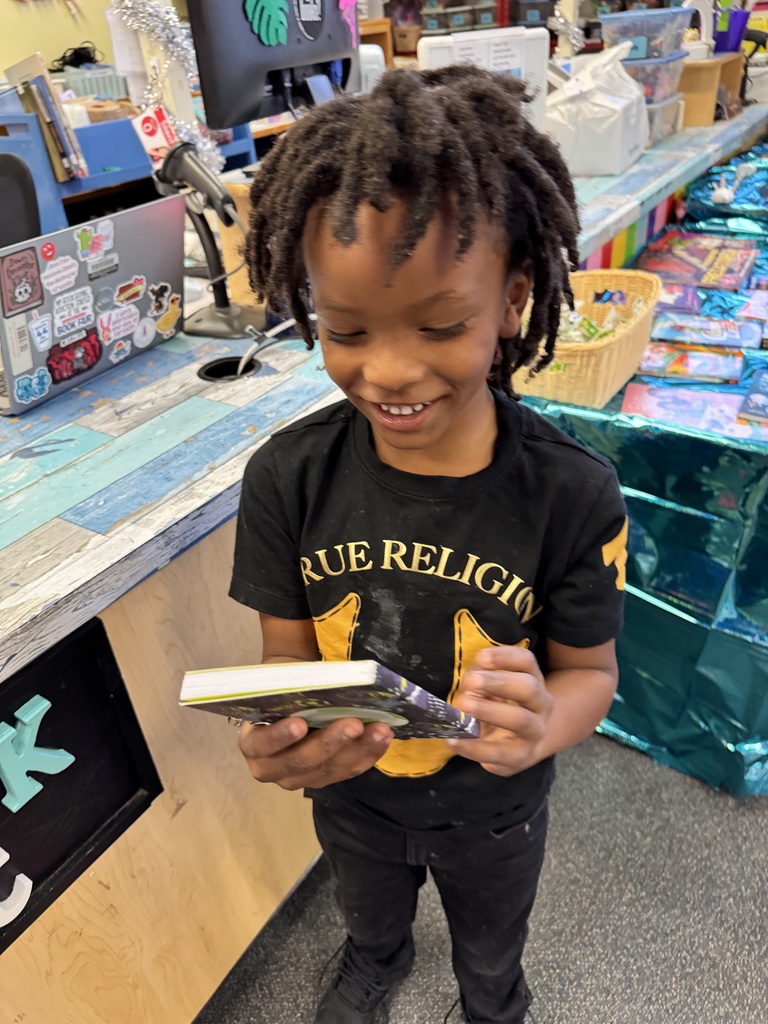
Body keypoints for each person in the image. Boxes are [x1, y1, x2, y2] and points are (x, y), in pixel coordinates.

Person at [230, 66, 627, 1024]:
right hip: (358, 799)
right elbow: (287, 662)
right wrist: (286, 735)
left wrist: (541, 725)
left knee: (491, 941)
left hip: (495, 805)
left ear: (514, 300)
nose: (390, 371)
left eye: (443, 325)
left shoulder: (570, 493)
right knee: (366, 911)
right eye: (345, 328)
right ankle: (376, 960)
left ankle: (493, 999)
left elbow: (591, 673)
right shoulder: (288, 477)